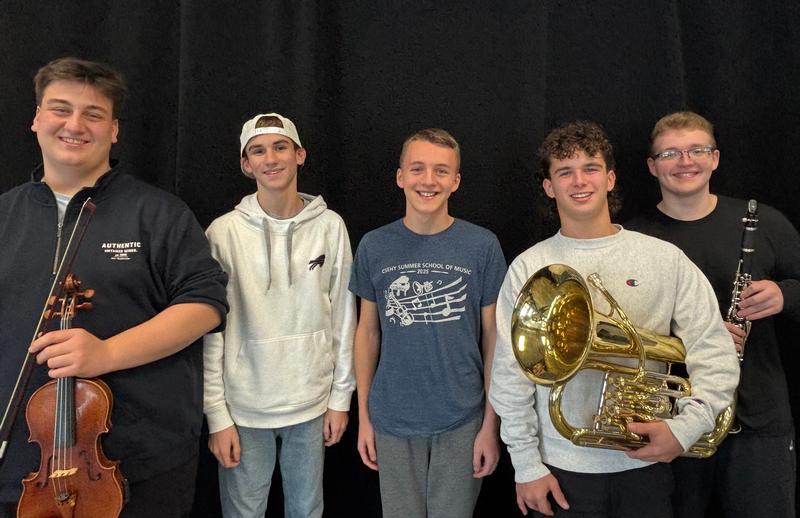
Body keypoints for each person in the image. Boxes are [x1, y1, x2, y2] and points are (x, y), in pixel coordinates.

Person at [0, 57, 228, 517]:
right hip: (24, 467)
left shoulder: (158, 212)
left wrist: (105, 354)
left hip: (137, 460)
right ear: (37, 118)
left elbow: (205, 304)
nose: (74, 125)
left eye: (93, 114)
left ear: (114, 129)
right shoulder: (5, 214)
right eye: (60, 109)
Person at [489, 121, 740, 517]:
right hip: (559, 469)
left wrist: (685, 429)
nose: (579, 181)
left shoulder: (663, 258)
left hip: (647, 465)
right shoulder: (530, 267)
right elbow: (510, 373)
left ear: (609, 178)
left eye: (590, 168)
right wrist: (526, 465)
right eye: (564, 172)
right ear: (549, 187)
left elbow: (714, 349)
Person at [626, 111, 799, 518]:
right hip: (671, 418)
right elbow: (623, 327)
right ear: (652, 166)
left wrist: (784, 294)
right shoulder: (633, 237)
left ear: (715, 158)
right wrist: (693, 338)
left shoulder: (762, 222)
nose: (685, 161)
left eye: (697, 150)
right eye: (670, 153)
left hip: (757, 418)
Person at [203, 112, 356, 518]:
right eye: (258, 150)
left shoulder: (330, 227)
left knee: (307, 510)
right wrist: (216, 415)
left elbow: (344, 316)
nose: (270, 158)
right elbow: (210, 330)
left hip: (311, 402)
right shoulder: (222, 233)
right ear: (245, 164)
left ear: (300, 155)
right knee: (243, 512)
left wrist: (341, 398)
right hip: (244, 408)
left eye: (280, 146)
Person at [349, 128, 506, 518]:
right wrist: (364, 419)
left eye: (441, 171)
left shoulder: (482, 245)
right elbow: (367, 333)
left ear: (455, 181)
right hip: (392, 417)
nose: (428, 180)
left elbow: (495, 339)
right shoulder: (374, 245)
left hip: (463, 416)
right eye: (417, 169)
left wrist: (491, 424)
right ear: (400, 176)